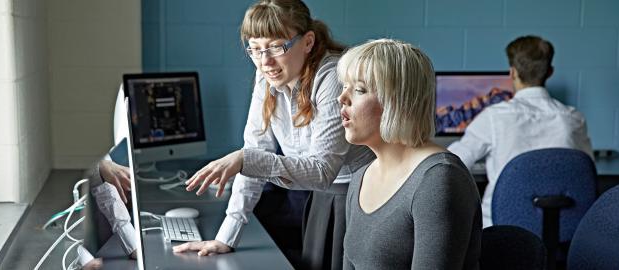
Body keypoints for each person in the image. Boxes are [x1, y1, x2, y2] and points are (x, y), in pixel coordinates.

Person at [175, 1, 375, 269]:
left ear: (307, 42)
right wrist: (226, 237)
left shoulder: (332, 77)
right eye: (255, 50)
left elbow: (322, 170)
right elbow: (256, 150)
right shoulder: (266, 77)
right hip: (320, 193)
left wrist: (245, 160)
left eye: (276, 47)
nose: (265, 61)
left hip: (355, 195)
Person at [337, 39, 481, 270]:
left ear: (397, 102)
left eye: (359, 90)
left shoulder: (439, 180)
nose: (342, 98)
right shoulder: (360, 177)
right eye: (344, 86)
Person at [448, 35, 593, 228]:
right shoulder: (574, 119)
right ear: (549, 72)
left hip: (502, 230)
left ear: (513, 73)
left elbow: (451, 163)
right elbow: (587, 168)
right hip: (564, 228)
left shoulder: (494, 117)